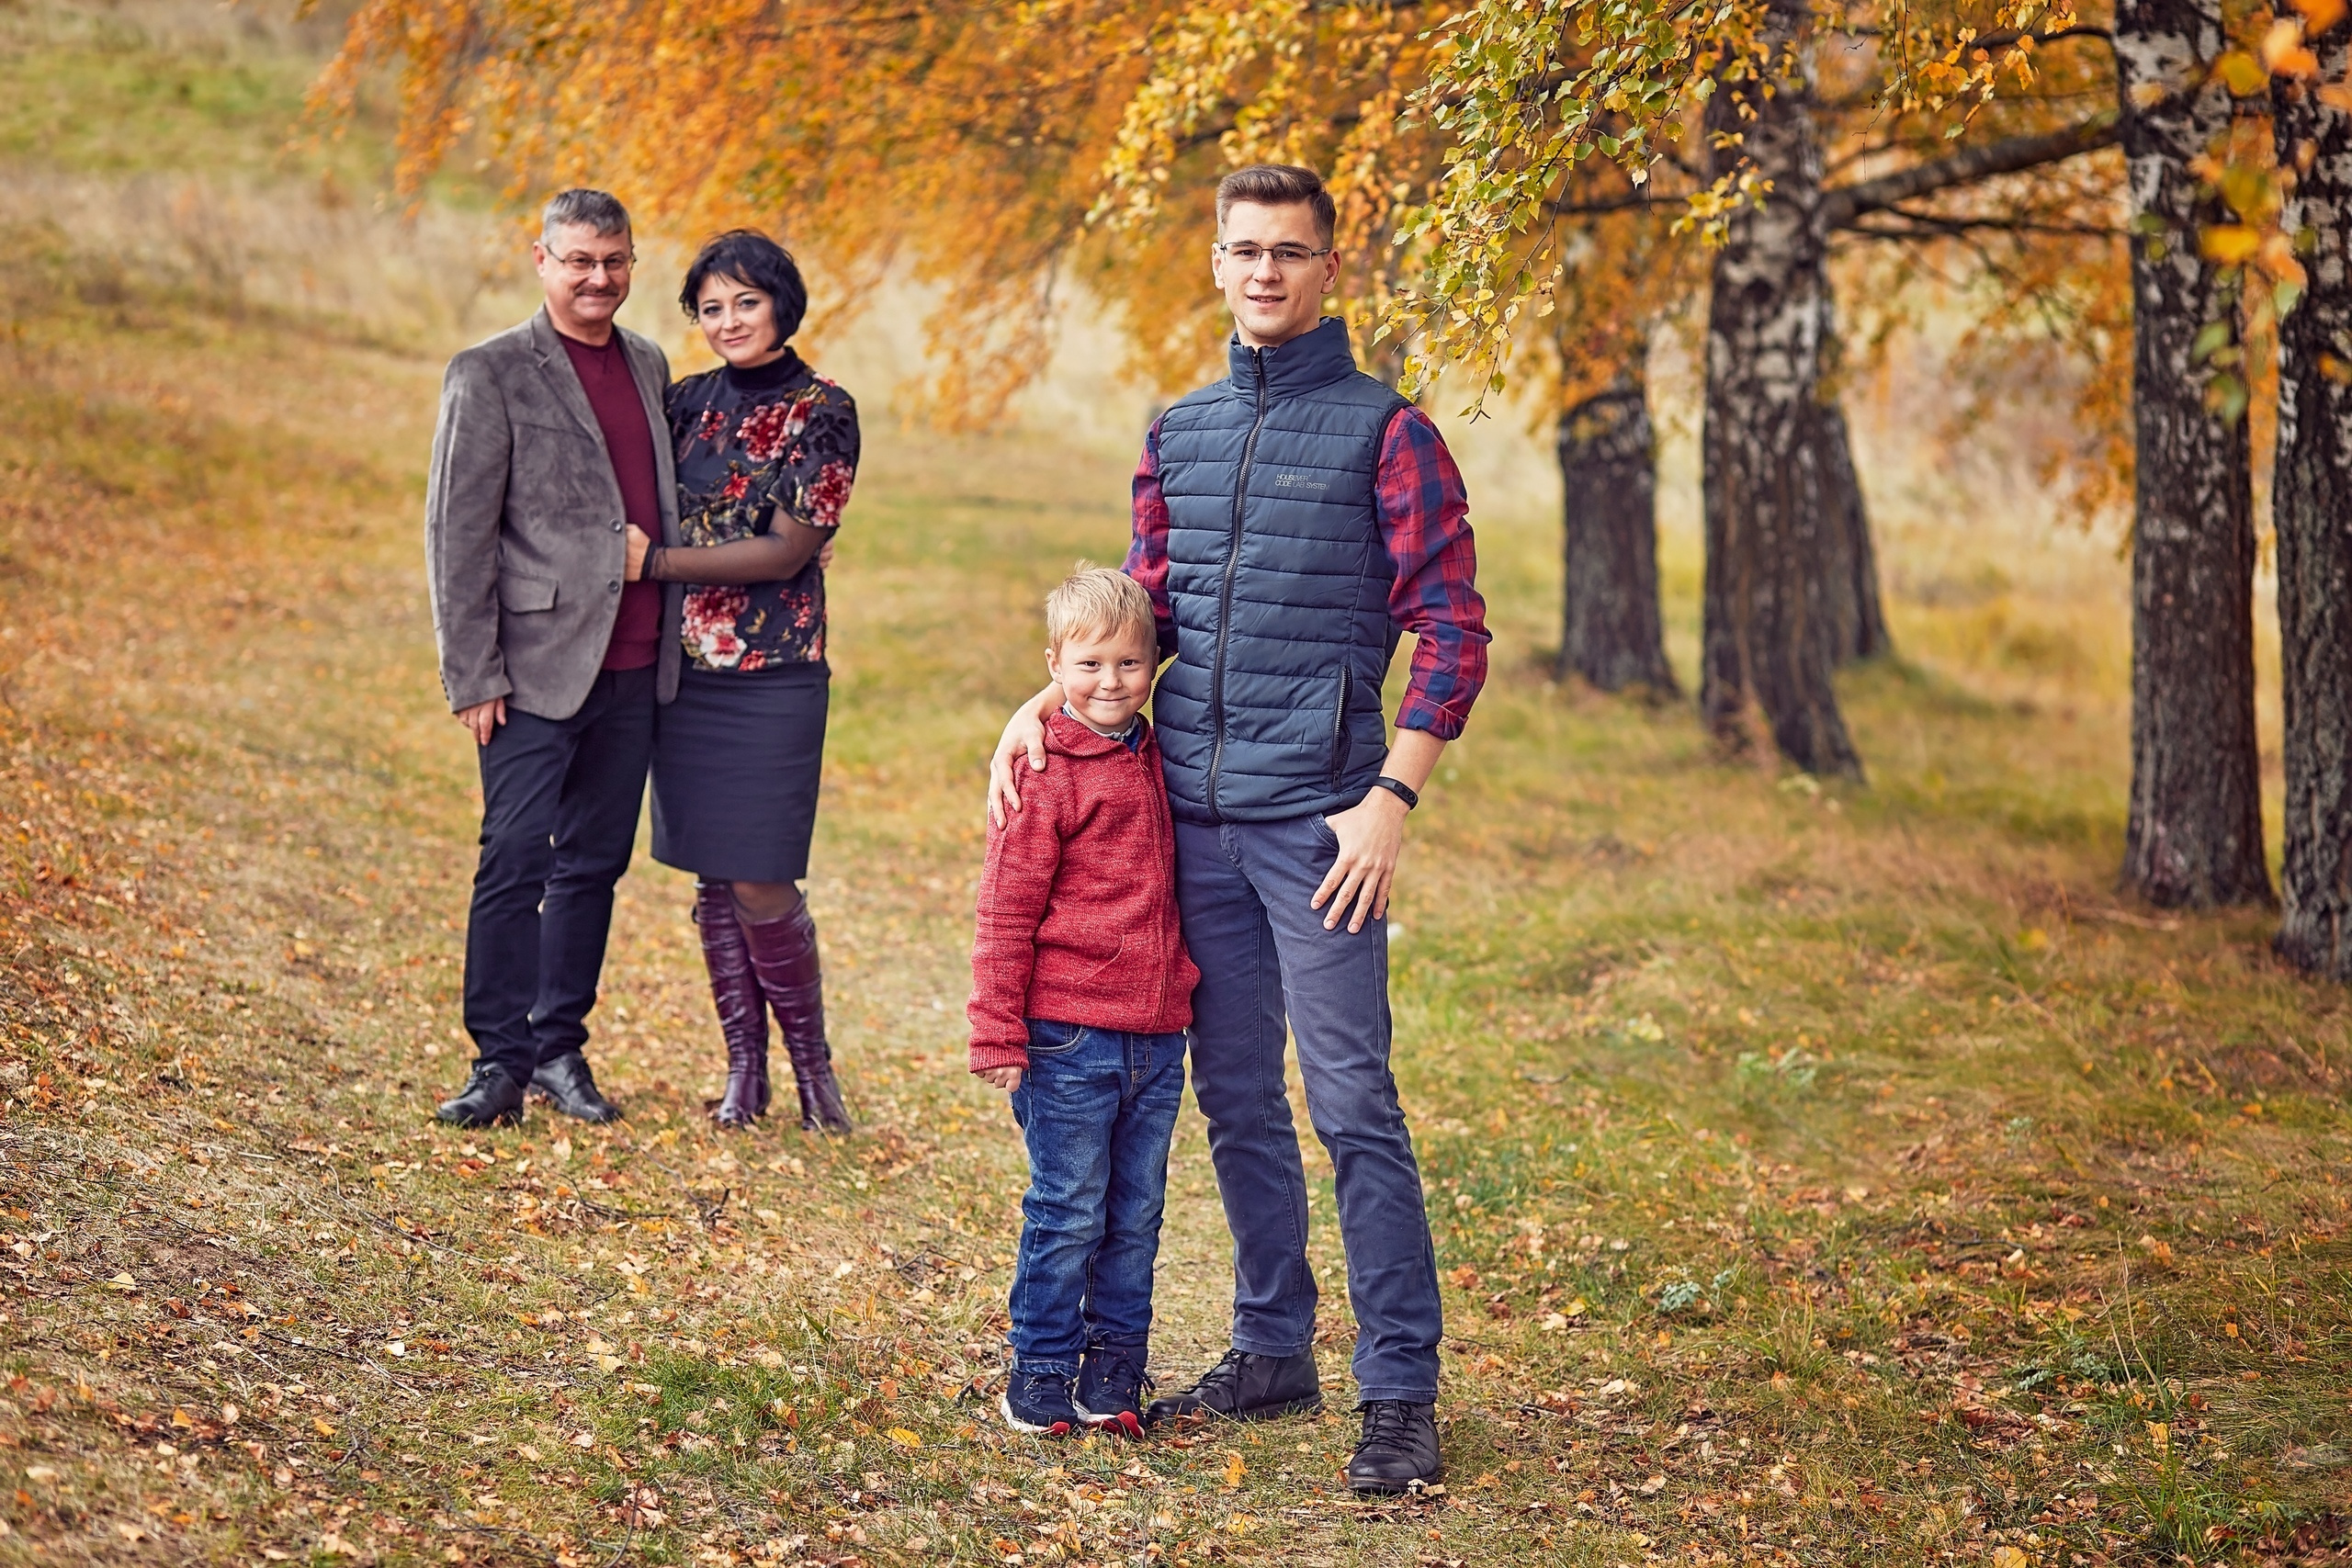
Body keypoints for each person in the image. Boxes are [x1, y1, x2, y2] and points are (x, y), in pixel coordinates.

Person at [987, 164, 1489, 1492]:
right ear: (1218, 263)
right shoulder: (1181, 431)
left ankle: (1400, 1387)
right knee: (1236, 1099)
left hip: (1324, 831)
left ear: (1332, 269)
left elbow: (1452, 625)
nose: (1267, 271)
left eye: (1293, 251)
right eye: (1246, 250)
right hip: (1188, 828)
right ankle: (1273, 1344)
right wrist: (1035, 705)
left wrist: (1391, 797)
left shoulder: (1392, 434)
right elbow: (1136, 617)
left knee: (1353, 1101)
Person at [425, 187, 682, 1130]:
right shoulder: (488, 372)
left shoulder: (650, 363)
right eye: (578, 261)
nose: (597, 279)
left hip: (635, 664)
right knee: (513, 860)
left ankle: (557, 1048)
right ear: (541, 261)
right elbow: (457, 534)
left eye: (613, 261)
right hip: (531, 668)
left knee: (593, 867)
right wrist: (475, 673)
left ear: (630, 265)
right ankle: (497, 1059)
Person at [630, 230, 858, 1133]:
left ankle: (815, 1074)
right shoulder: (683, 402)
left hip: (774, 675)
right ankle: (743, 1074)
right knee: (712, 880)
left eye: (745, 302)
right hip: (681, 673)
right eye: (711, 308)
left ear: (781, 303)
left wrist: (654, 566)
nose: (728, 322)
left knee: (762, 877)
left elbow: (787, 550)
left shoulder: (823, 409)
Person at [968, 568, 1200, 1437]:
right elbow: (1006, 907)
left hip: (1155, 1036)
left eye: (1131, 664)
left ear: (1154, 666)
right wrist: (997, 1029)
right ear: (1054, 665)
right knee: (1068, 1210)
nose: (1111, 682)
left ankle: (1113, 1377)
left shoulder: (1157, 751)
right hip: (1068, 1035)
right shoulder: (1041, 767)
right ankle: (1039, 1372)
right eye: (1091, 664)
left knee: (1135, 1213)